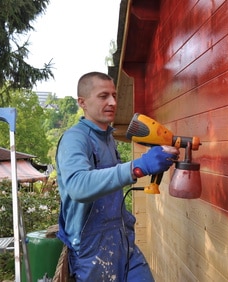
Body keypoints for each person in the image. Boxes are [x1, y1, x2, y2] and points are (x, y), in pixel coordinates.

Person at [56, 71, 179, 281]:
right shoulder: (75, 139)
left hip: (123, 242)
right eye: (103, 96)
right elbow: (77, 186)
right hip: (91, 252)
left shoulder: (108, 139)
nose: (113, 102)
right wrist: (137, 167)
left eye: (114, 95)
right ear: (82, 102)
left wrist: (153, 165)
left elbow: (113, 179)